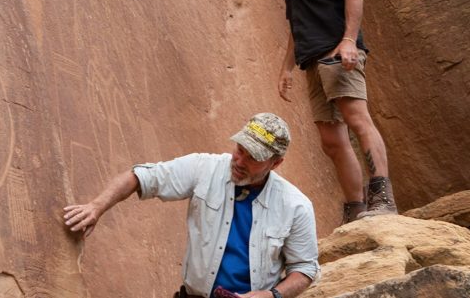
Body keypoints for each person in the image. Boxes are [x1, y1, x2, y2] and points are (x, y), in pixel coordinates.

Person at [63, 113, 319, 298]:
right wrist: (96, 207)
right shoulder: (204, 168)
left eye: (253, 158)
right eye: (240, 149)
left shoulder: (296, 206)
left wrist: (271, 295)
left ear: (275, 164)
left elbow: (305, 269)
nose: (240, 161)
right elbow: (141, 177)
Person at [271, 0, 398, 224]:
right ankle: (355, 210)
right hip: (313, 61)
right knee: (331, 139)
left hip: (337, 53)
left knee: (357, 120)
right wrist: (287, 67)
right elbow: (297, 22)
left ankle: (382, 198)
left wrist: (347, 41)